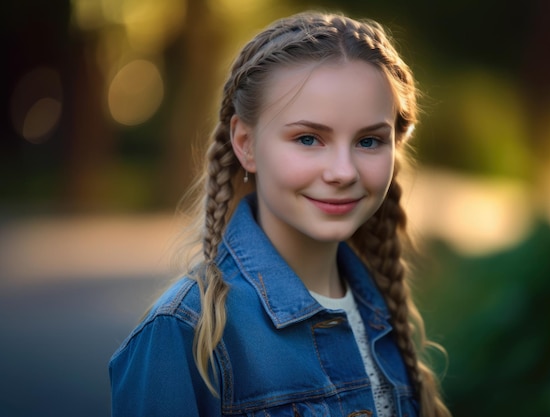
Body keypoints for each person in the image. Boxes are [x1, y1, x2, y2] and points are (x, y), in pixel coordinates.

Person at [109, 11, 450, 417]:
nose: (343, 171)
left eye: (369, 141)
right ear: (245, 143)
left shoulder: (381, 309)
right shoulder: (183, 333)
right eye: (308, 138)